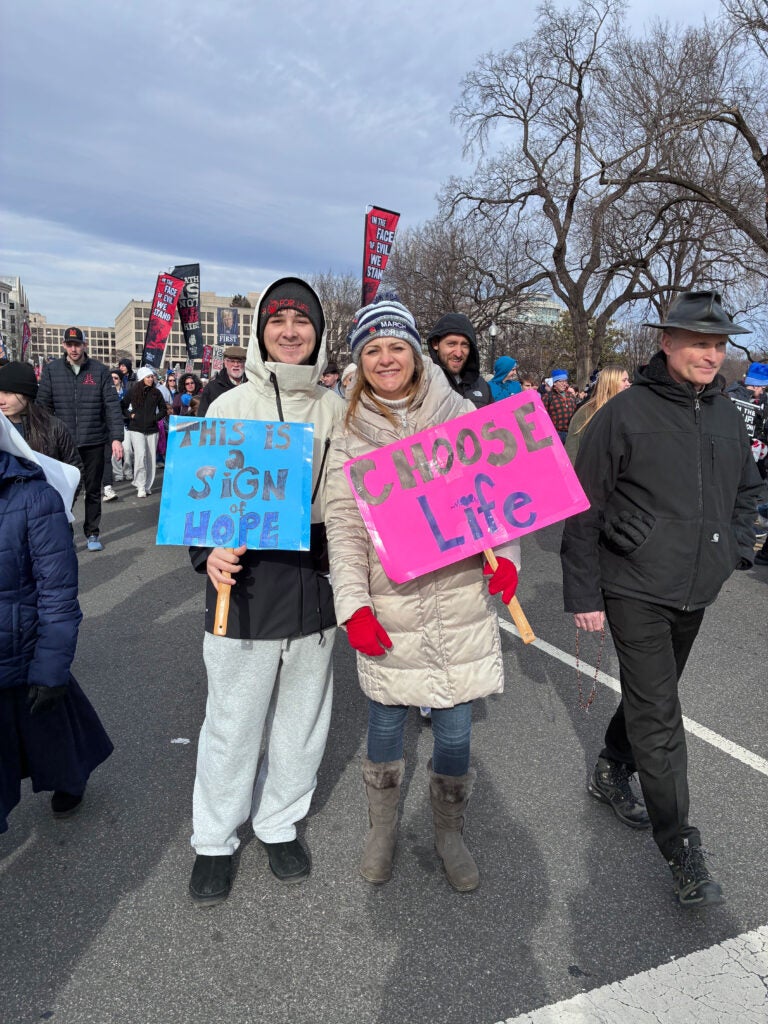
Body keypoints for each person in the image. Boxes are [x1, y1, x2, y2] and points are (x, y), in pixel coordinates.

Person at [560, 290, 762, 908]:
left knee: (655, 695)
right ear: (667, 343)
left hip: (696, 587)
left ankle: (611, 765)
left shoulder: (729, 415)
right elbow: (584, 504)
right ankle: (681, 849)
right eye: (699, 342)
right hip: (634, 586)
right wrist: (584, 593)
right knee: (661, 716)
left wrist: (735, 551)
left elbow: (748, 491)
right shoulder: (625, 412)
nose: (711, 354)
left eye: (719, 344)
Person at [325, 297, 520, 893]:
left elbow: (496, 495)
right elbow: (344, 525)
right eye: (373, 350)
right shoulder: (348, 428)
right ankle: (381, 829)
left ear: (416, 352)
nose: (385, 359)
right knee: (386, 722)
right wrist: (353, 605)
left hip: (459, 596)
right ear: (360, 359)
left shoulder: (460, 412)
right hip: (391, 600)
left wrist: (508, 560)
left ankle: (449, 832)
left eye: (396, 347)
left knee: (456, 729)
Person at [187, 277, 345, 906]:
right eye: (277, 320)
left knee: (302, 721)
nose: (289, 331)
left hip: (313, 584)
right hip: (243, 585)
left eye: (301, 321)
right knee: (232, 720)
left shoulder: (338, 410)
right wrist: (206, 553)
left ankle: (279, 820)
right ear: (259, 332)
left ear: (318, 333)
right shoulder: (228, 407)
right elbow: (197, 498)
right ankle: (214, 837)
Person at [0, 412, 113, 833]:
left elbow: (58, 594)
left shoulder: (35, 499)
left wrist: (51, 669)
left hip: (23, 650)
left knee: (51, 727)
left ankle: (70, 777)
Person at [36, 327, 124, 552]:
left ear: (84, 345)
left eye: (77, 344)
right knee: (64, 490)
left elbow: (111, 406)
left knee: (93, 490)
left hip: (94, 440)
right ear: (64, 345)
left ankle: (92, 532)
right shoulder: (52, 370)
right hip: (62, 443)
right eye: (70, 344)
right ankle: (66, 533)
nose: (74, 349)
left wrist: (116, 438)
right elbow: (43, 406)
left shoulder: (99, 370)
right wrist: (43, 437)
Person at [0, 362, 83, 490]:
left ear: (27, 394)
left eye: (8, 393)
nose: (1, 400)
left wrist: (59, 500)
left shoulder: (54, 427)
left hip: (46, 500)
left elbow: (75, 471)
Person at [564, 364, 631, 463]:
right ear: (611, 382)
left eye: (628, 380)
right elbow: (572, 448)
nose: (628, 384)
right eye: (624, 380)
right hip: (592, 468)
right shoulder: (586, 412)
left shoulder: (629, 409)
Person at [426, 313, 492, 408]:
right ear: (435, 344)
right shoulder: (422, 383)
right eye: (451, 344)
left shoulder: (482, 386)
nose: (458, 353)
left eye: (464, 345)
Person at [123, 367, 167, 498]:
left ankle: (148, 485)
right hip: (136, 428)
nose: (151, 379)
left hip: (152, 429)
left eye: (152, 376)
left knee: (151, 459)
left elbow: (164, 409)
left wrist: (155, 418)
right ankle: (140, 485)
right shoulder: (133, 391)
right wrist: (130, 415)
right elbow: (122, 406)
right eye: (148, 377)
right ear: (142, 378)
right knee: (140, 456)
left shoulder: (156, 392)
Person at [196, 346, 247, 416]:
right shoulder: (211, 388)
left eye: (240, 362)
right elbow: (203, 415)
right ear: (225, 363)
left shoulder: (253, 386)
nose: (236, 365)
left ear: (245, 364)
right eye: (232, 361)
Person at [542, 368, 577, 441]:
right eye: (561, 381)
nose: (564, 384)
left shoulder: (571, 395)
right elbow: (543, 416)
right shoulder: (547, 397)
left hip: (570, 433)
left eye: (565, 381)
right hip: (555, 434)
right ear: (554, 383)